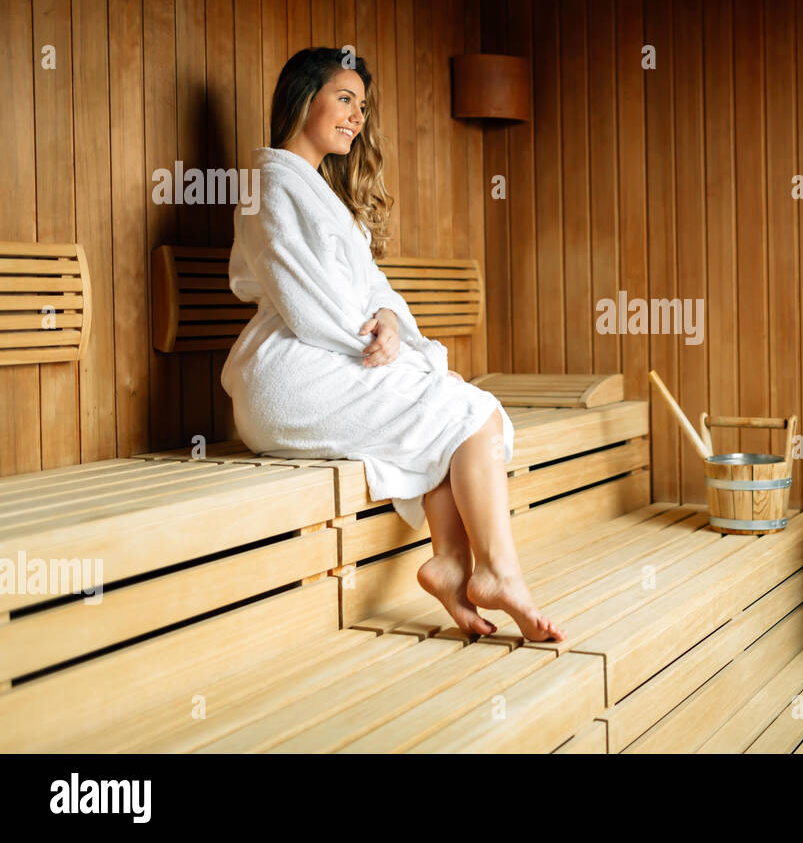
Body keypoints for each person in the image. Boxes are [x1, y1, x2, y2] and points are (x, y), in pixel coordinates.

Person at [220, 47, 564, 642]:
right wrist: (395, 347)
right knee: (466, 408)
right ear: (305, 99)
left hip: (330, 360)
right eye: (344, 99)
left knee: (447, 405)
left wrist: (392, 323)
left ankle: (453, 563)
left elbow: (374, 292)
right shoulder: (271, 184)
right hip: (291, 375)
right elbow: (308, 302)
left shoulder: (321, 193)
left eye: (361, 105)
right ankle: (499, 574)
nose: (357, 116)